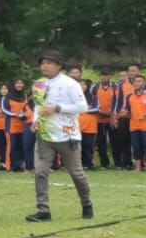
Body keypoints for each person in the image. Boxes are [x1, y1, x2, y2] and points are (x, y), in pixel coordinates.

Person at [26, 50, 93, 222]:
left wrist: (58, 108)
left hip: (67, 135)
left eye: (49, 63)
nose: (45, 66)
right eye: (43, 63)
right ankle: (43, 210)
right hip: (45, 135)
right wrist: (35, 120)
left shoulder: (70, 84)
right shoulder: (38, 84)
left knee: (76, 173)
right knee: (40, 171)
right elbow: (38, 106)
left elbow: (82, 106)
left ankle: (87, 204)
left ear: (59, 65)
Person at [124, 75, 146, 172]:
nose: (136, 83)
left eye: (139, 81)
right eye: (135, 81)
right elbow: (127, 109)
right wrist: (123, 112)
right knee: (136, 146)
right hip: (133, 125)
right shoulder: (129, 95)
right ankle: (137, 167)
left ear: (144, 83)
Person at [91, 72, 120, 170]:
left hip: (112, 118)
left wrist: (112, 113)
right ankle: (104, 163)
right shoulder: (94, 87)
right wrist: (99, 111)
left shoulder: (116, 87)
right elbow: (92, 100)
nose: (104, 77)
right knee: (101, 143)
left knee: (115, 142)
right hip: (99, 119)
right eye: (102, 75)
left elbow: (118, 101)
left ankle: (118, 163)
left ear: (110, 76)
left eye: (106, 75)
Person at [77, 78, 100, 170]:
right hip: (77, 125)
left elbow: (96, 108)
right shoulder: (74, 97)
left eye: (84, 84)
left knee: (88, 145)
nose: (82, 86)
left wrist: (82, 109)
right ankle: (79, 164)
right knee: (78, 146)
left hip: (90, 125)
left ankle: (90, 163)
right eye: (80, 84)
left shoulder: (93, 97)